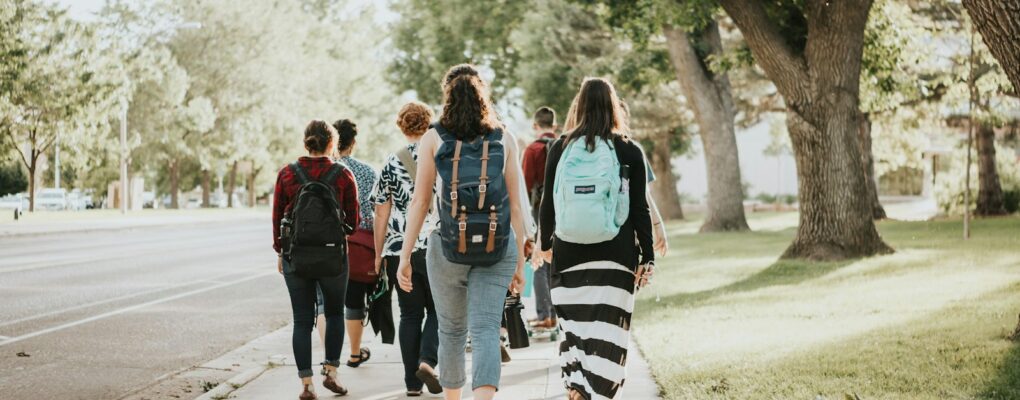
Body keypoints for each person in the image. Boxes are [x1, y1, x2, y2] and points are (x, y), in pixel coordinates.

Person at [398, 64, 529, 400]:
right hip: (497, 246)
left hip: (446, 247)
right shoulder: (505, 137)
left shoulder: (433, 137)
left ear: (447, 95)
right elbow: (517, 206)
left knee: (452, 331)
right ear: (483, 94)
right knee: (485, 329)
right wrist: (519, 264)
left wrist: (404, 257)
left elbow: (420, 201)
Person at [537, 78, 655, 400]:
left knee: (575, 331)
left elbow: (548, 202)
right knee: (609, 334)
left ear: (579, 105)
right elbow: (640, 209)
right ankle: (595, 391)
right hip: (616, 257)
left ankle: (578, 387)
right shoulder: (630, 149)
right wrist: (648, 257)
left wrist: (544, 244)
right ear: (614, 106)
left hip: (568, 254)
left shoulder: (560, 148)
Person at [272, 120, 359, 400]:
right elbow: (353, 223)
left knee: (301, 320)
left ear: (306, 142)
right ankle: (332, 373)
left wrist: (279, 252)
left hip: (295, 256)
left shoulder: (287, 174)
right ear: (332, 144)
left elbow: (277, 219)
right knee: (334, 314)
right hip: (333, 256)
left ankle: (306, 385)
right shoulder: (343, 175)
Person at [371, 102, 442, 396]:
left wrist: (378, 255)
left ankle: (412, 384)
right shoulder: (440, 155)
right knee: (440, 310)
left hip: (400, 249)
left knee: (410, 316)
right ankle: (427, 360)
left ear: (402, 126)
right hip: (435, 246)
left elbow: (381, 213)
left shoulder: (390, 162)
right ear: (428, 124)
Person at [310, 119, 378, 369]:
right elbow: (372, 216)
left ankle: (330, 359)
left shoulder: (318, 170)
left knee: (323, 303)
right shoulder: (367, 172)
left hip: (322, 245)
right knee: (354, 301)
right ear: (353, 142)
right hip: (357, 248)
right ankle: (354, 352)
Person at [521, 106, 559, 329]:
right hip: (562, 210)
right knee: (557, 259)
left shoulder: (532, 149)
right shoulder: (566, 145)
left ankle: (545, 314)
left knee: (539, 260)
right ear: (554, 126)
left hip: (538, 210)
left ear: (536, 126)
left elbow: (524, 186)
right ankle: (557, 313)